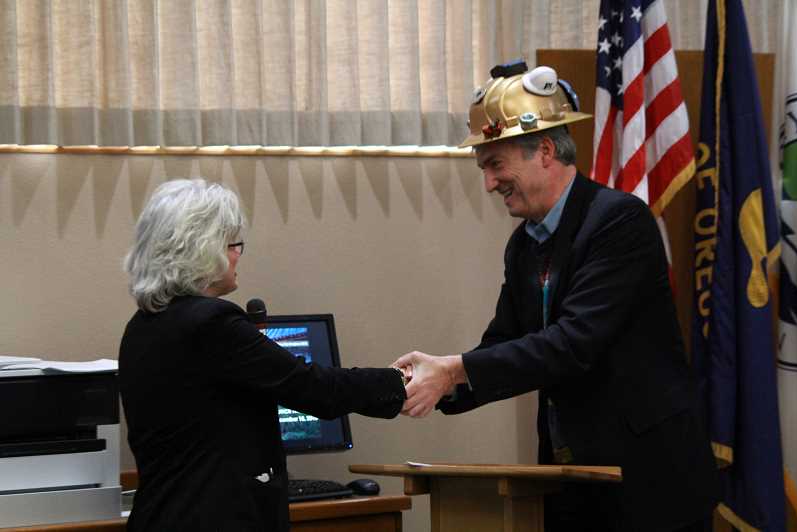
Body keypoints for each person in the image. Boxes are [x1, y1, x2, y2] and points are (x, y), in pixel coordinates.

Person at [393, 63, 718, 531]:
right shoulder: (524, 244)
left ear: (544, 150)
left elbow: (573, 343)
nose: (488, 183)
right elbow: (503, 344)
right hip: (572, 481)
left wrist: (452, 369)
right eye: (483, 168)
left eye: (495, 165)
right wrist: (429, 384)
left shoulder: (619, 222)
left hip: (649, 482)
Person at [119, 179, 407, 532]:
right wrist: (401, 381)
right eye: (231, 243)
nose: (238, 253)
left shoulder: (142, 326)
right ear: (201, 249)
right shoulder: (211, 323)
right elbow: (314, 387)